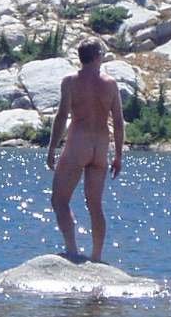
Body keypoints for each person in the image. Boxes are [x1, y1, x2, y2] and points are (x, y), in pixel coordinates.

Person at [46, 40, 125, 262]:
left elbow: (62, 116)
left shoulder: (70, 82)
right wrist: (118, 155)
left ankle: (72, 250)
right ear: (98, 56)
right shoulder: (110, 84)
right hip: (100, 147)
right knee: (95, 205)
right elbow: (118, 122)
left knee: (59, 200)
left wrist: (52, 148)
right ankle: (96, 256)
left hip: (78, 144)